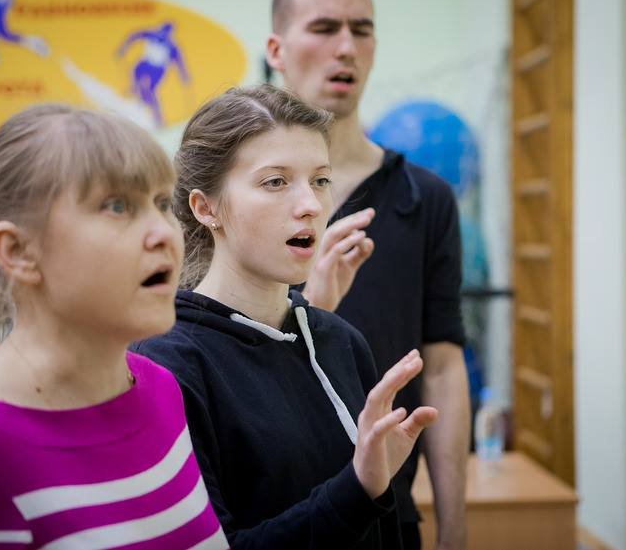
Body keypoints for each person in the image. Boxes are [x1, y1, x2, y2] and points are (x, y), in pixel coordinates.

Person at [0, 104, 228, 549]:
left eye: (162, 203)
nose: (164, 232)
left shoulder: (160, 388)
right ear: (18, 251)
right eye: (117, 205)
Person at [132, 84, 438, 549]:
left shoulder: (342, 342)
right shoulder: (166, 364)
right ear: (206, 207)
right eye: (275, 182)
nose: (311, 204)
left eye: (320, 180)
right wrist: (357, 489)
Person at [266, 0, 469, 548]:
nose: (346, 47)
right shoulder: (239, 197)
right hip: (270, 514)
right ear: (276, 49)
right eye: (324, 28)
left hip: (389, 515)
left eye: (361, 29)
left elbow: (443, 368)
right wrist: (311, 303)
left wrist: (455, 528)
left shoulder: (424, 197)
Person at [116, 21, 190, 127]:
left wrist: (184, 75)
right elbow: (135, 36)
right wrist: (123, 48)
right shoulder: (152, 35)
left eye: (166, 34)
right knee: (137, 73)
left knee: (149, 91)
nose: (163, 35)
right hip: (145, 64)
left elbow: (179, 63)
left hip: (157, 70)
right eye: (162, 32)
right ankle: (135, 92)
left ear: (169, 34)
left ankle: (157, 118)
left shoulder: (172, 46)